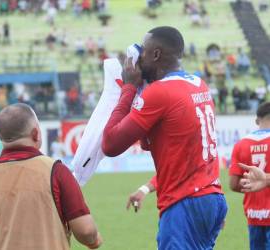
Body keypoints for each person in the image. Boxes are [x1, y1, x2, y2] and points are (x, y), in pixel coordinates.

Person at [102, 26, 227, 249]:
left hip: (184, 203)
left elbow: (110, 144)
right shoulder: (199, 84)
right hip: (212, 197)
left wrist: (129, 88)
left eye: (144, 52)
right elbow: (149, 143)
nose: (138, 57)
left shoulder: (161, 92)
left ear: (156, 54)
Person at [0, 103, 102, 250]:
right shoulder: (56, 171)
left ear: (0, 138)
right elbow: (86, 231)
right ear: (36, 134)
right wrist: (94, 240)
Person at [229, 101, 270, 250]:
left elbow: (233, 184)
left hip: (254, 214)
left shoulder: (241, 144)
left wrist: (254, 188)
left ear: (257, 120)